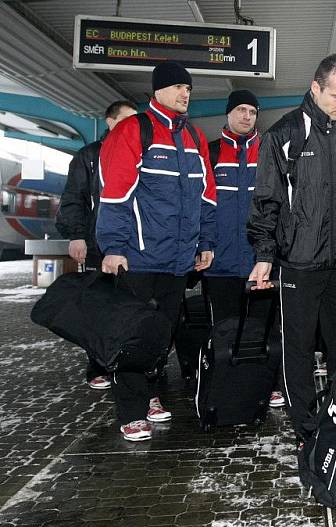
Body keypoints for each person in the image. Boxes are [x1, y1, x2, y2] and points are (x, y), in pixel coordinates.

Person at [248, 54, 336, 439]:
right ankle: (305, 426)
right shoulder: (284, 134)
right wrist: (265, 255)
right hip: (300, 260)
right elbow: (267, 199)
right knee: (298, 348)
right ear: (316, 87)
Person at [96, 61, 217, 442]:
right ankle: (131, 411)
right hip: (138, 257)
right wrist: (113, 248)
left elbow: (206, 198)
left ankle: (150, 395)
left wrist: (205, 243)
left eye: (189, 88)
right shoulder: (135, 130)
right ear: (158, 91)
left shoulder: (195, 138)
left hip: (177, 261)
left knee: (162, 336)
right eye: (179, 86)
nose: (186, 93)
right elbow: (114, 194)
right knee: (133, 336)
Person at [205, 89, 285, 409]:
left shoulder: (269, 151)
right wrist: (204, 245)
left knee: (263, 325)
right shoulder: (210, 153)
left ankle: (269, 384)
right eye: (240, 110)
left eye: (252, 111)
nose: (246, 116)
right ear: (228, 113)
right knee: (224, 327)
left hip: (259, 260)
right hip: (220, 261)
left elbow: (281, 204)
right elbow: (202, 205)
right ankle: (225, 381)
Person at [55, 99, 137, 391]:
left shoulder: (138, 152)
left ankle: (129, 365)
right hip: (96, 244)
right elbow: (74, 197)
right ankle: (98, 367)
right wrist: (77, 235)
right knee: (100, 307)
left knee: (128, 308)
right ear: (110, 122)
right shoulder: (88, 156)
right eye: (125, 120)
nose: (131, 126)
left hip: (130, 247)